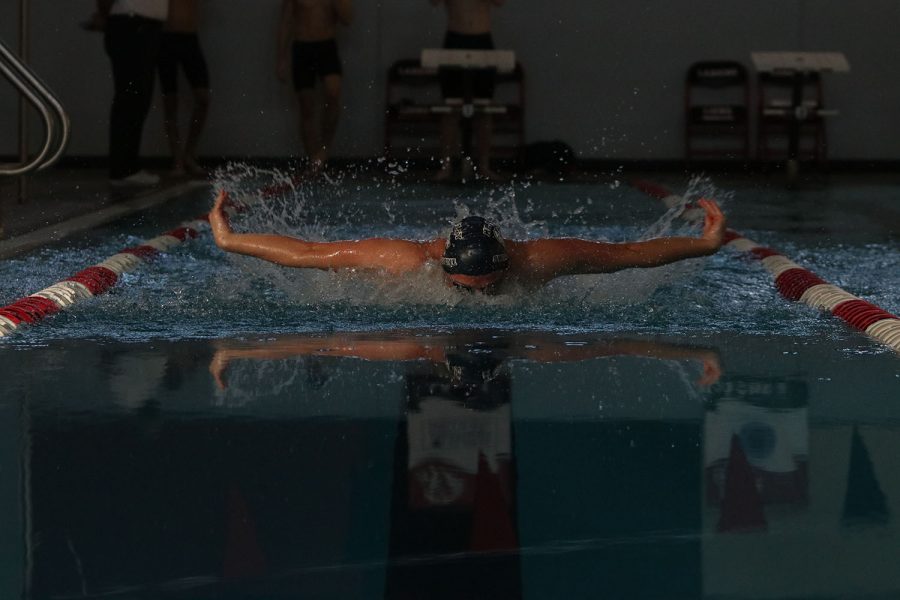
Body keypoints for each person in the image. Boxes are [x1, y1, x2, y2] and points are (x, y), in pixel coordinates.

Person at [209, 191, 726, 295]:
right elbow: (308, 254)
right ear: (444, 268)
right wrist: (229, 239)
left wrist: (702, 245)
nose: (480, 299)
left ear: (507, 263)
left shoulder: (539, 260)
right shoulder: (405, 262)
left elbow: (630, 256)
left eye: (488, 287)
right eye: (465, 289)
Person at [87, 0, 169, 186]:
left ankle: (127, 166)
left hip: (144, 25)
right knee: (131, 96)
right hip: (132, 24)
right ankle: (122, 168)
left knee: (139, 97)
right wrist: (104, 14)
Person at [431, 0, 506, 182]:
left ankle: (484, 166)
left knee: (484, 107)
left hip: (482, 37)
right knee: (451, 106)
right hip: (455, 37)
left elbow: (499, 2)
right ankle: (447, 165)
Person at [276, 0, 353, 174]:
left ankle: (324, 149)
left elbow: (347, 20)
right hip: (302, 47)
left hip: (326, 46)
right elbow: (286, 21)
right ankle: (313, 159)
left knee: (333, 94)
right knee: (306, 105)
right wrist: (281, 58)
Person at [158, 0, 210, 177]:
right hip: (165, 39)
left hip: (189, 38)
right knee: (170, 101)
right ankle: (178, 160)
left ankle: (189, 154)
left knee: (203, 98)